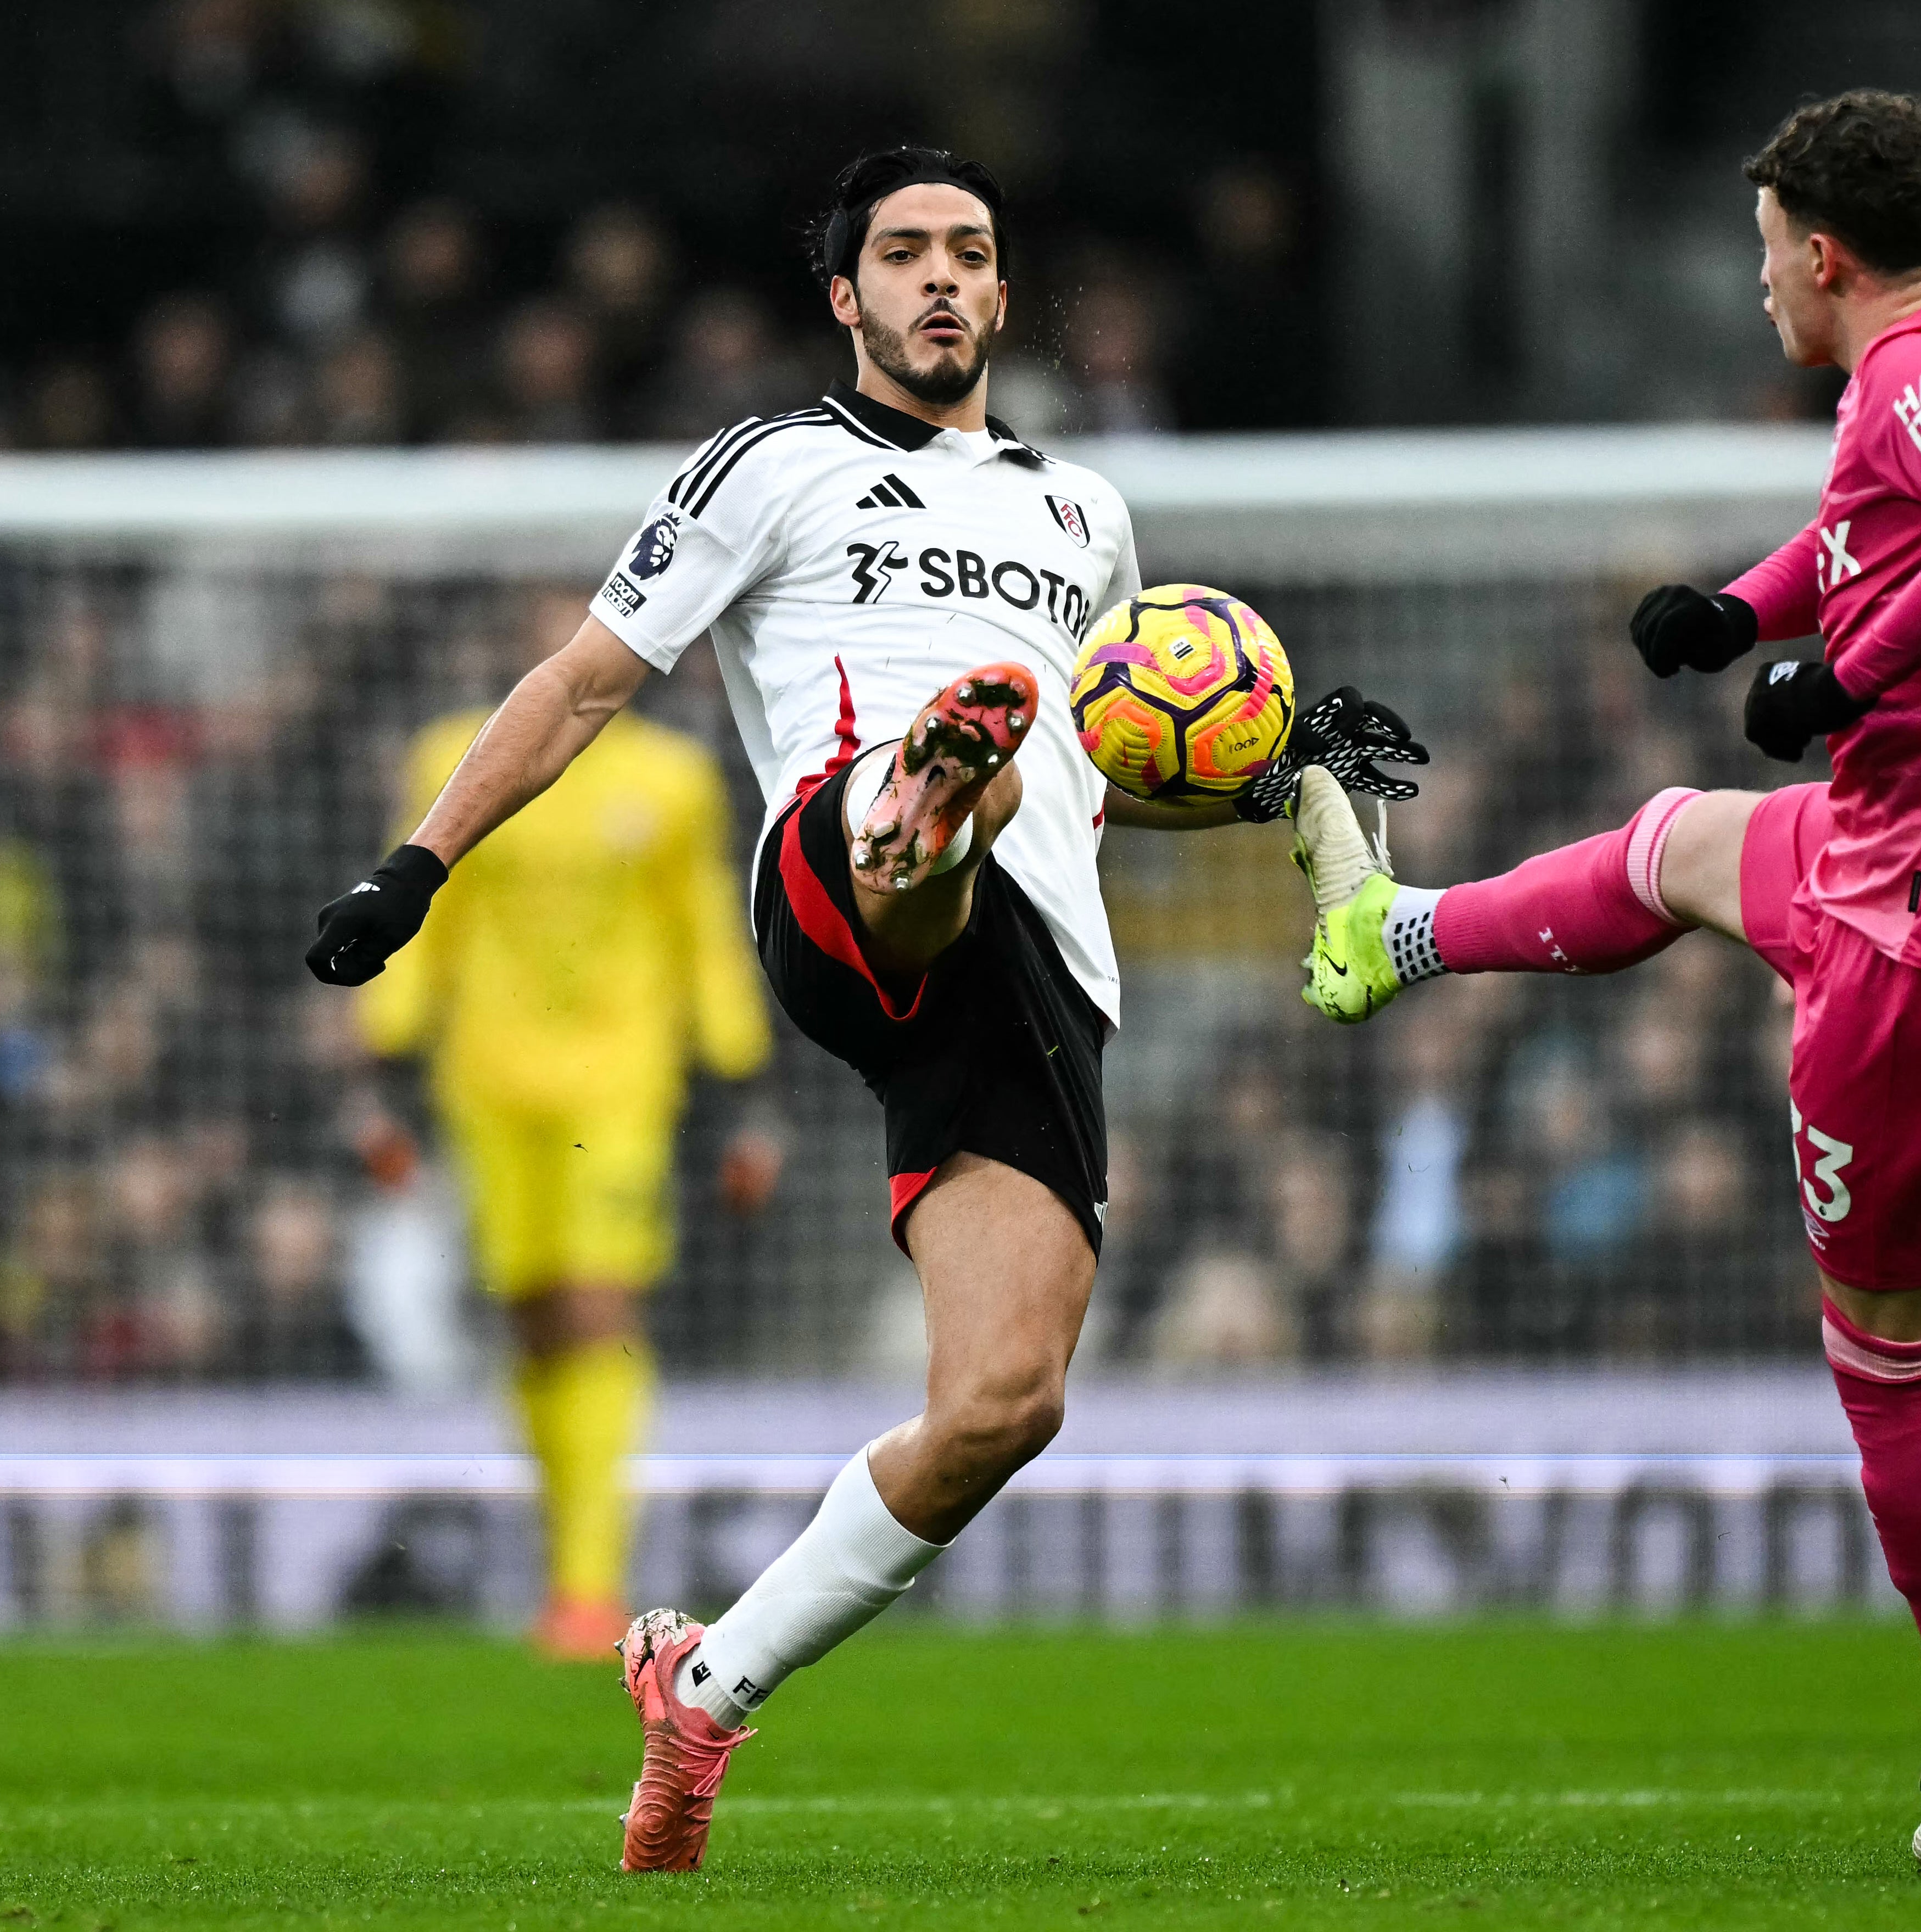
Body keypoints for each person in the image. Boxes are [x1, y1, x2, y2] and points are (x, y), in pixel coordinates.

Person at [304, 146, 1423, 1873]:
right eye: (902, 253)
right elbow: (588, 676)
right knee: (927, 790)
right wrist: (422, 861)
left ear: (997, 288)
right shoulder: (770, 467)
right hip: (839, 882)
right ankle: (924, 788)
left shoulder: (1084, 515)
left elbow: (1130, 747)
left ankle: (709, 1685)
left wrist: (1293, 773)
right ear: (846, 296)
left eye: (971, 253)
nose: (941, 279)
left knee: (1005, 1398)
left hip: (1033, 969)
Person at [1292, 90, 1921, 1873]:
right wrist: (1746, 614)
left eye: (1761, 255)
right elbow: (1895, 529)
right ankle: (1392, 933)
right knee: (1671, 839)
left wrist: (1842, 679)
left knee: (1890, 1354)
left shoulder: (1916, 381)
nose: (1753, 289)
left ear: (1823, 253)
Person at [353, 586, 783, 1662]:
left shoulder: (672, 781)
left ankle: (590, 1591)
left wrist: (740, 1083)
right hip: (485, 1082)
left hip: (619, 1085)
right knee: (535, 1318)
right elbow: (433, 910)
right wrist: (385, 1056)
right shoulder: (454, 755)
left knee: (598, 1305)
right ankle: (565, 1571)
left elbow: (701, 936)